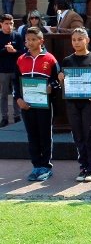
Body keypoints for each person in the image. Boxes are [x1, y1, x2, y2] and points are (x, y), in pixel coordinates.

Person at [58, 28, 91, 182]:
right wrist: (61, 78)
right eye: (74, 40)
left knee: (90, 135)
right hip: (72, 103)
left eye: (80, 39)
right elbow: (64, 84)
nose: (77, 42)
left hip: (90, 103)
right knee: (78, 135)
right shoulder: (67, 60)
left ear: (87, 40)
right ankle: (83, 167)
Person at [14, 27, 59, 181]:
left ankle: (46, 167)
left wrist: (51, 87)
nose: (30, 42)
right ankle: (36, 166)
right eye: (28, 40)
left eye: (34, 39)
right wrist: (18, 99)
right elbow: (16, 83)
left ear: (41, 41)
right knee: (32, 136)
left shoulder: (50, 59)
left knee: (45, 135)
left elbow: (57, 81)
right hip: (27, 105)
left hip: (44, 106)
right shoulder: (21, 59)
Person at [0, 14, 23, 127]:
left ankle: (17, 115)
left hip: (16, 69)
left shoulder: (17, 36)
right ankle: (4, 117)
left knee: (16, 93)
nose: (9, 26)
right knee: (4, 94)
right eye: (6, 24)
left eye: (11, 23)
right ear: (1, 24)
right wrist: (5, 50)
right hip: (3, 70)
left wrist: (14, 51)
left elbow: (23, 52)